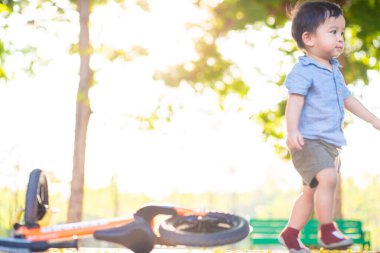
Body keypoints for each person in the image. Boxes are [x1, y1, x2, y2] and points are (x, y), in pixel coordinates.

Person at [278, 1, 380, 252]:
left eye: (342, 33)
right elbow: (294, 101)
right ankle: (328, 230)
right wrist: (292, 131)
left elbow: (348, 99)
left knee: (310, 193)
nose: (340, 39)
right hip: (308, 141)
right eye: (333, 32)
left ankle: (290, 234)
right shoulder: (305, 69)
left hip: (330, 144)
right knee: (328, 179)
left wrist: (373, 119)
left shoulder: (334, 70)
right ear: (308, 38)